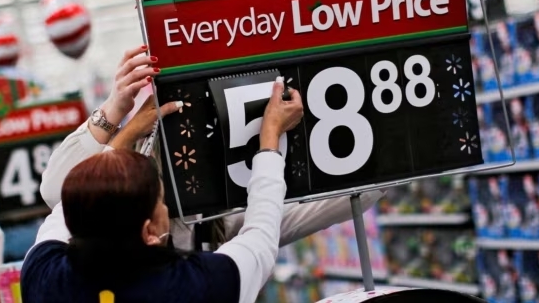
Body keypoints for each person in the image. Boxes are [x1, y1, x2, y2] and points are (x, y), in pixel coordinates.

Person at [39, 45, 383, 253]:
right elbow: (57, 192)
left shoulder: (219, 211)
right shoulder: (114, 213)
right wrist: (119, 111)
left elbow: (355, 194)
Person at [22, 76, 304, 303]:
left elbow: (70, 198)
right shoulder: (192, 286)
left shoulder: (44, 277)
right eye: (161, 200)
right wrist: (270, 136)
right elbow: (261, 239)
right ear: (149, 233)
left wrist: (129, 130)